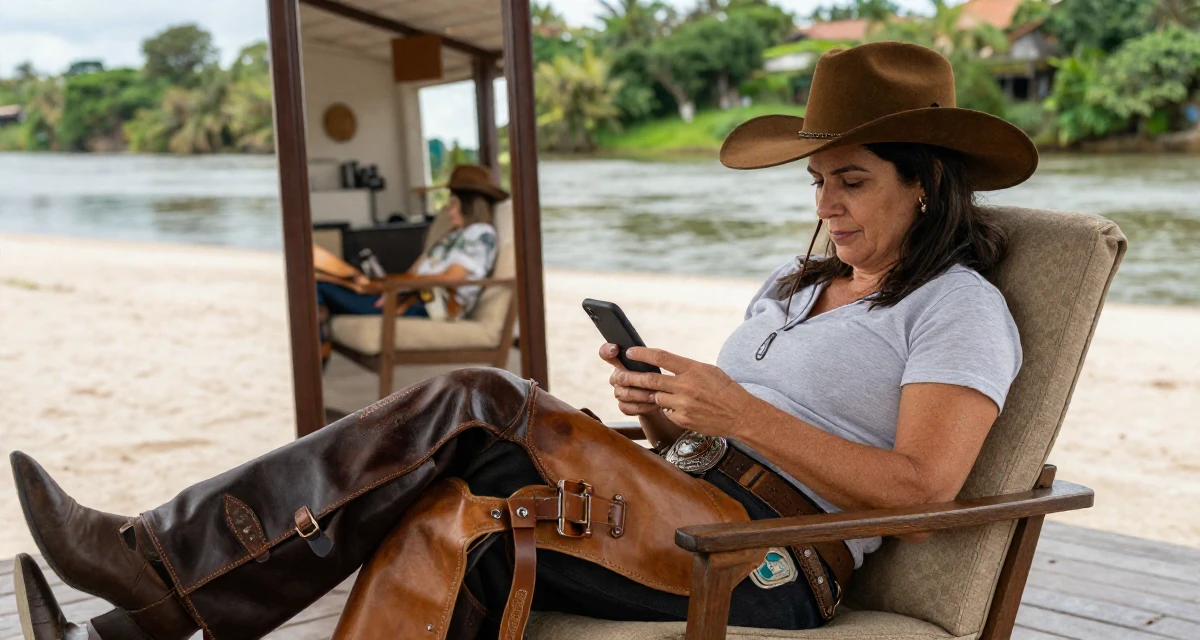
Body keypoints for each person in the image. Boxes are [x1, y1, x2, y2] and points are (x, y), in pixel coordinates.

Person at [10, 42, 1035, 639]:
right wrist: (670, 407)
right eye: (817, 182)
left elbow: (923, 498)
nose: (826, 205)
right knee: (450, 511)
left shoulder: (954, 307)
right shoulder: (794, 282)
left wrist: (736, 410)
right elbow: (727, 420)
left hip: (764, 558)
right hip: (670, 491)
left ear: (926, 180)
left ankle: (152, 568)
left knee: (479, 395)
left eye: (850, 181)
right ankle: (124, 627)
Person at [313, 163, 505, 360]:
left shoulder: (480, 233)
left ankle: (319, 350)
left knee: (316, 288)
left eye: (454, 204)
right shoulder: (452, 235)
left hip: (427, 305)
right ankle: (321, 343)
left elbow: (453, 277)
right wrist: (386, 285)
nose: (449, 211)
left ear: (470, 204)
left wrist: (398, 286)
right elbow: (415, 271)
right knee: (325, 283)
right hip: (410, 297)